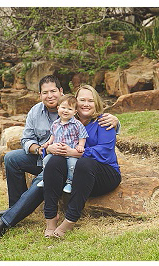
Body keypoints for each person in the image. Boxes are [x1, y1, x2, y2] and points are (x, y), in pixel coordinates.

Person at [0, 77, 119, 243]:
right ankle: (21, 209)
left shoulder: (98, 120)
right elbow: (29, 140)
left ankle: (10, 220)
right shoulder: (43, 113)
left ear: (61, 93)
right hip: (48, 156)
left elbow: (102, 149)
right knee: (14, 159)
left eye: (53, 91)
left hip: (81, 166)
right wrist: (45, 149)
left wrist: (73, 152)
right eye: (82, 100)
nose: (50, 96)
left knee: (57, 171)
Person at [42, 85, 122, 239]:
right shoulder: (67, 121)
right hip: (75, 175)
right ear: (75, 103)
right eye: (82, 100)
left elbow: (104, 152)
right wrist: (51, 148)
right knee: (54, 161)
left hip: (103, 174)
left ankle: (69, 221)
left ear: (96, 103)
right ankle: (50, 219)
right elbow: (52, 141)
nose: (86, 104)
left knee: (85, 163)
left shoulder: (104, 121)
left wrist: (76, 153)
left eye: (90, 101)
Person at [37, 94, 87, 200]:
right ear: (58, 108)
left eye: (69, 109)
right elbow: (53, 135)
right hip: (57, 151)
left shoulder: (77, 124)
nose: (65, 111)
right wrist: (48, 143)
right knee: (46, 160)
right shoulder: (55, 124)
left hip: (70, 151)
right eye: (63, 108)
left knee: (72, 165)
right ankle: (46, 179)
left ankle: (69, 182)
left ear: (75, 112)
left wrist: (80, 145)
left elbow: (82, 136)